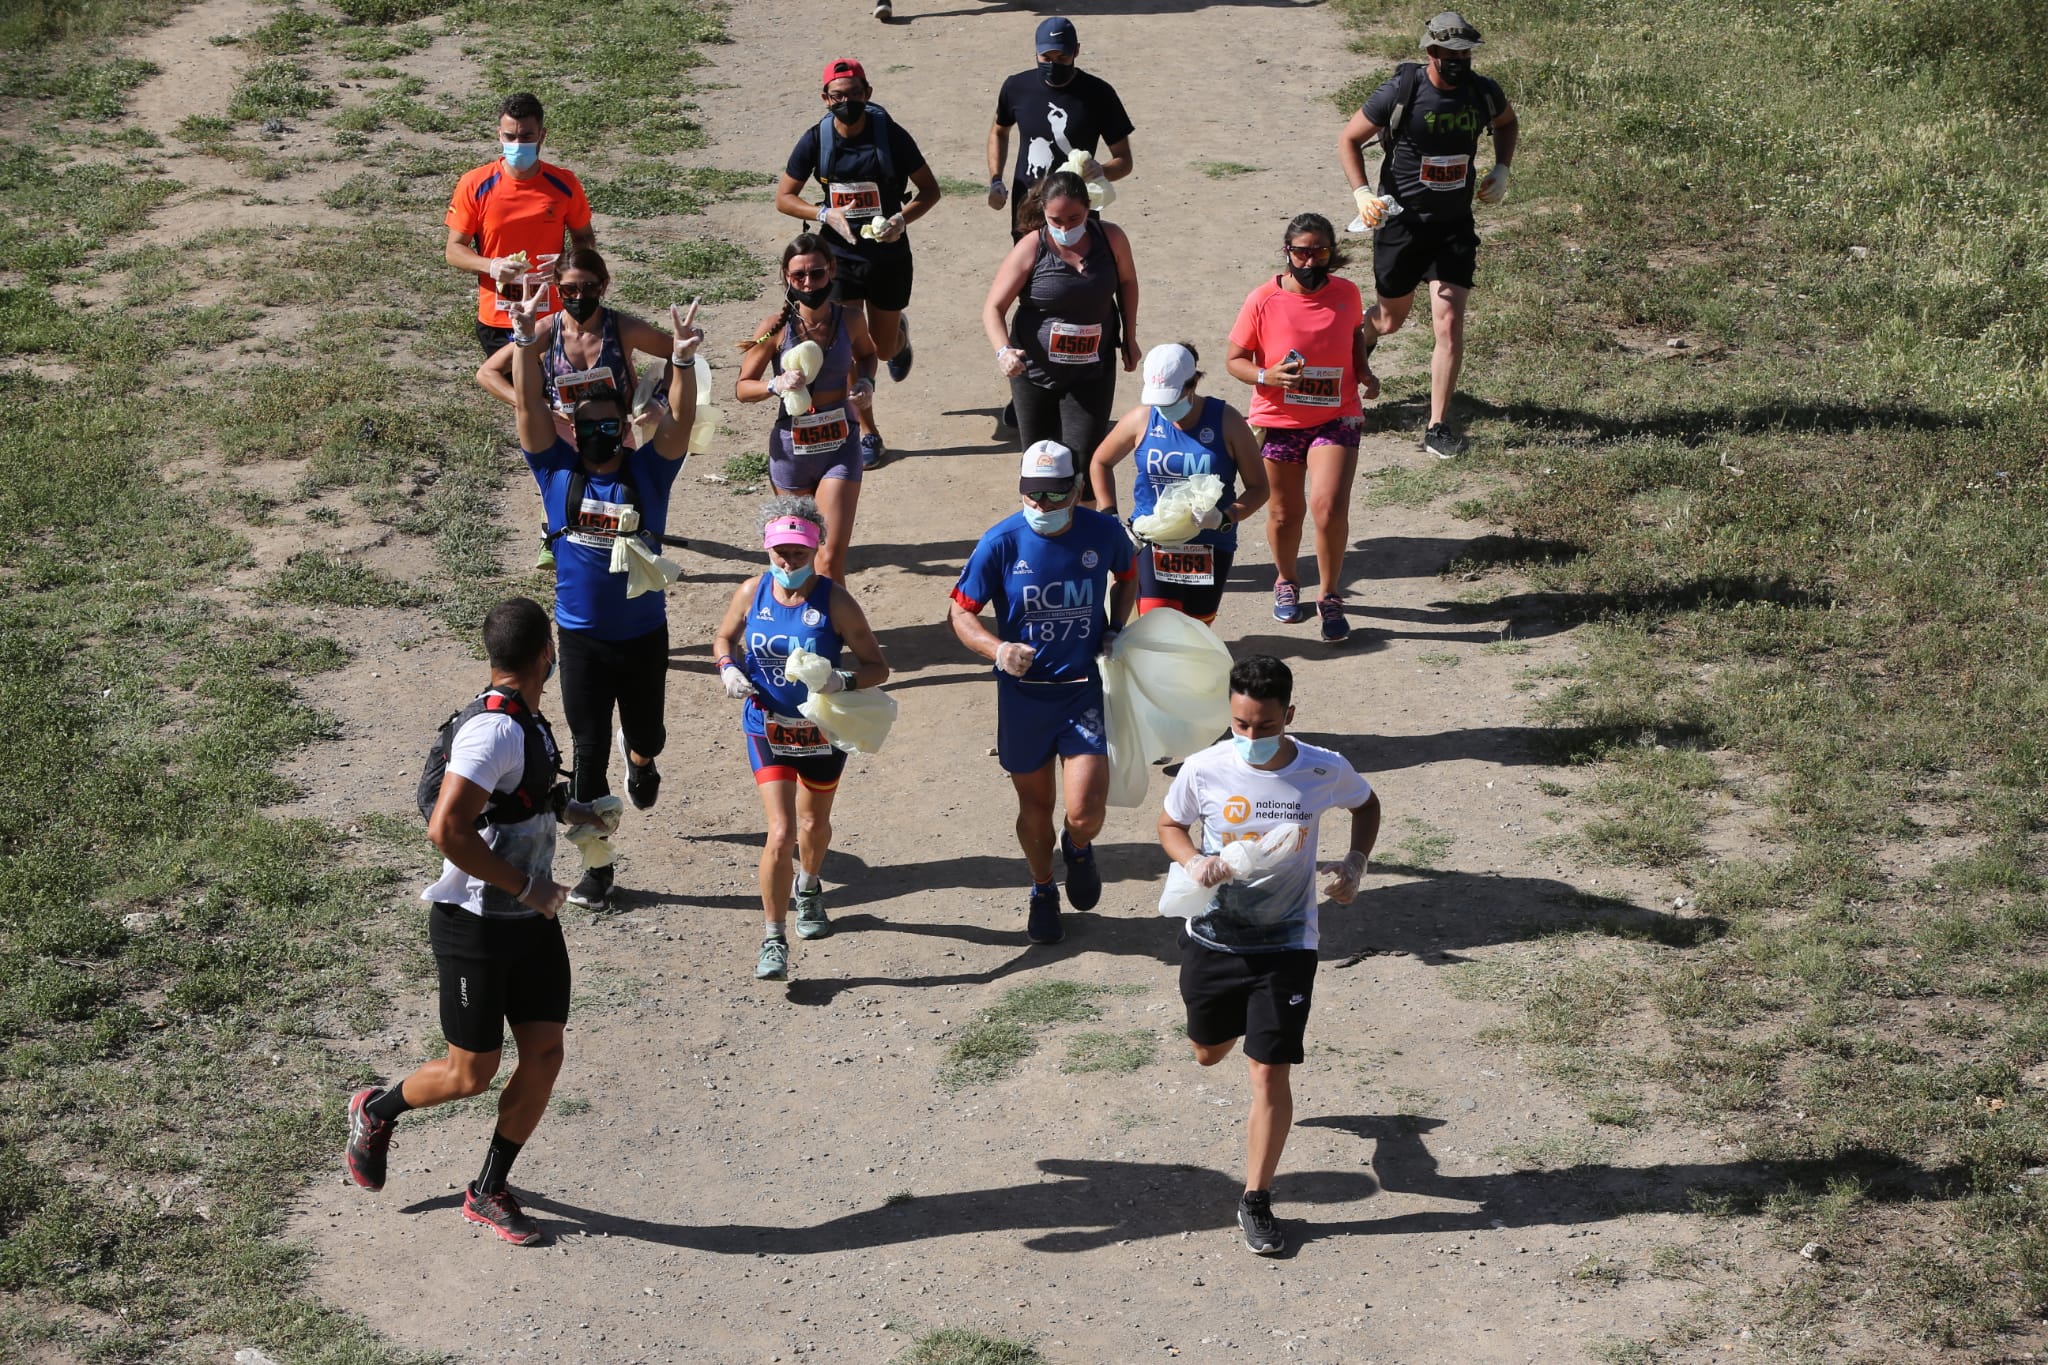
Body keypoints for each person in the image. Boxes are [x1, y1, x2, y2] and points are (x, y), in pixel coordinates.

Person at [343, 597, 612, 1246]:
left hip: (529, 919)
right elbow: (448, 829)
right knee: (471, 1072)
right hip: (475, 925)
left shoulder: (526, 719)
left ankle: (488, 1188)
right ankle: (376, 1109)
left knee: (545, 1052)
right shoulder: (492, 730)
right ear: (546, 654)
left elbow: (522, 796)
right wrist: (526, 882)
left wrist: (574, 813)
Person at [1156, 654, 1381, 1256]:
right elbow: (1169, 823)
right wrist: (1191, 860)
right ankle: (1224, 1031)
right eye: (1239, 724)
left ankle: (1255, 1198)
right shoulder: (1204, 769)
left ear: (1289, 714)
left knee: (1268, 1070)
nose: (1250, 737)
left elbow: (1366, 804)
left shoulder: (1321, 769)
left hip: (1288, 945)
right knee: (1208, 1053)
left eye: (1263, 725)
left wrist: (1355, 865)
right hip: (1213, 939)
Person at [507, 283, 702, 912]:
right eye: (586, 425)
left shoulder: (649, 473)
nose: (598, 432)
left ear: (624, 428)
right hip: (583, 640)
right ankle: (598, 867)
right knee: (586, 754)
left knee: (648, 732)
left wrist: (680, 359)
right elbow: (526, 411)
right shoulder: (555, 474)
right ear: (573, 429)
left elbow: (683, 422)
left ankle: (641, 761)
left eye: (609, 424)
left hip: (644, 638)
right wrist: (525, 340)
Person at [949, 441, 1136, 945]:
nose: (1042, 507)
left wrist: (1116, 625)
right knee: (1035, 806)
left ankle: (1077, 847)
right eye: (1032, 496)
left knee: (1085, 813)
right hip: (1025, 698)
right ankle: (1042, 888)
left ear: (1078, 490)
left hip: (1081, 692)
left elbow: (1128, 575)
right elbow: (961, 612)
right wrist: (996, 649)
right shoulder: (1001, 542)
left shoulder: (1103, 531)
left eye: (1055, 497)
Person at [711, 497, 890, 981]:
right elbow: (724, 637)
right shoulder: (752, 592)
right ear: (767, 550)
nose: (788, 562)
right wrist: (728, 667)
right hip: (765, 725)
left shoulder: (835, 602)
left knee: (813, 826)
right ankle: (773, 938)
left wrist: (843, 682)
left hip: (821, 731)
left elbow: (878, 665)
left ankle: (808, 888)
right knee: (781, 833)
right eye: (780, 552)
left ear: (816, 549)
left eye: (798, 553)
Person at [1337, 10, 1517, 459]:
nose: (1459, 60)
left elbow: (1507, 123)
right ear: (1431, 51)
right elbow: (1349, 139)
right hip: (1402, 222)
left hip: (1453, 224)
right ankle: (1354, 357)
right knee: (1390, 319)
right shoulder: (1403, 90)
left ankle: (1437, 424)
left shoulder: (1483, 92)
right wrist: (1362, 193)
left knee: (1449, 321)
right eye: (1450, 53)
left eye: (1466, 53)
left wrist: (1501, 166)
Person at [774, 58, 942, 470]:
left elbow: (929, 190)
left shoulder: (891, 137)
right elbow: (784, 197)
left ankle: (898, 337)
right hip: (837, 259)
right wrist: (822, 214)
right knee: (847, 346)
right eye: (837, 96)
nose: (845, 103)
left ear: (868, 93)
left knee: (882, 349)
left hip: (887, 256)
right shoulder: (817, 139)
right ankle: (867, 431)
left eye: (853, 95)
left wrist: (902, 219)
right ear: (825, 98)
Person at [1224, 212, 1370, 643]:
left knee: (1327, 507)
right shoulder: (1262, 299)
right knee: (1285, 513)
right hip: (1279, 422)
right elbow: (1234, 360)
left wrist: (1363, 372)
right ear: (1287, 252)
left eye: (1319, 252)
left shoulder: (1347, 293)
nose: (1310, 262)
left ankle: (1329, 596)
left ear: (1331, 253)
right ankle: (1287, 580)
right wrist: (1267, 376)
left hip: (1336, 416)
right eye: (1301, 252)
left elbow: (1355, 335)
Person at [735, 236, 881, 585]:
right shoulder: (776, 327)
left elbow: (867, 354)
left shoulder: (850, 319)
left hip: (840, 447)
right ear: (786, 276)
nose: (808, 283)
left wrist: (865, 383)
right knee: (797, 558)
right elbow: (743, 387)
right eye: (798, 275)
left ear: (831, 271)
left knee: (829, 558)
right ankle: (801, 629)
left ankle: (833, 634)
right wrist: (776, 385)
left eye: (816, 274)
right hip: (791, 452)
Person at [1089, 343, 1268, 625]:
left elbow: (1260, 488)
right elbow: (1100, 462)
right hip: (1152, 540)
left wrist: (1224, 518)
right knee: (1156, 626)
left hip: (1211, 543)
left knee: (1197, 627)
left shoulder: (1227, 421)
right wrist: (1110, 516)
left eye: (1171, 400)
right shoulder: (1142, 419)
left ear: (1192, 384)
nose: (1164, 408)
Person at [982, 170, 1138, 482]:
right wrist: (1003, 352)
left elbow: (1127, 282)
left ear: (1088, 208)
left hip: (1093, 371)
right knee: (1040, 467)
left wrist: (1129, 337)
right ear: (1043, 212)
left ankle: (1086, 527)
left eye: (1073, 217)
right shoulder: (1030, 248)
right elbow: (993, 308)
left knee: (1086, 464)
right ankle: (1044, 528)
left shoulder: (1111, 239)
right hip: (1036, 376)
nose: (1065, 227)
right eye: (1056, 220)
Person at [445, 92, 596, 358]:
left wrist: (567, 263)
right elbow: (454, 250)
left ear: (542, 135)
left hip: (552, 315)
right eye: (510, 137)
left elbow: (585, 239)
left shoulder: (564, 184)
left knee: (547, 394)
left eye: (526, 136)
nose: (517, 144)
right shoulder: (475, 184)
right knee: (518, 392)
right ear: (499, 135)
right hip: (499, 317)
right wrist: (491, 266)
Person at [476, 248, 676, 428]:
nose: (579, 297)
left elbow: (676, 354)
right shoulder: (545, 331)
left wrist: (660, 400)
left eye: (588, 287)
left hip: (613, 433)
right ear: (557, 289)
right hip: (560, 436)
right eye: (569, 289)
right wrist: (530, 406)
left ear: (603, 286)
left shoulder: (623, 328)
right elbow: (487, 373)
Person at [987, 17, 1135, 243]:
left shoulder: (1099, 94)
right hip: (1028, 207)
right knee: (1029, 274)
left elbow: (1124, 161)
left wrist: (1101, 170)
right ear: (1035, 52)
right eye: (1046, 58)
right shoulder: (1016, 87)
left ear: (1076, 51)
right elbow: (999, 131)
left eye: (1062, 57)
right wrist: (996, 180)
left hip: (1076, 212)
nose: (1053, 65)